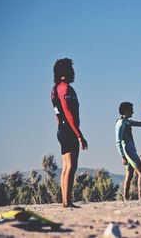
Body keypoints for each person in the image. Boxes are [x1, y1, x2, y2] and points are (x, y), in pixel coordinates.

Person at [51, 58, 88, 208]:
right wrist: (79, 135)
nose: (73, 73)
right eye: (70, 70)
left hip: (61, 128)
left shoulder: (55, 89)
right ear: (64, 74)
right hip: (69, 129)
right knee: (71, 167)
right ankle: (68, 202)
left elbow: (58, 113)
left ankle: (65, 200)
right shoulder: (65, 89)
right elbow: (68, 113)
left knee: (66, 167)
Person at [115, 102, 141, 201]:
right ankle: (140, 198)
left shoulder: (126, 121)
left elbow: (139, 123)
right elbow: (118, 142)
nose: (133, 112)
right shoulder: (121, 123)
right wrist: (123, 156)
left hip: (130, 149)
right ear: (126, 111)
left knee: (129, 175)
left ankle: (125, 198)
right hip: (128, 151)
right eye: (131, 110)